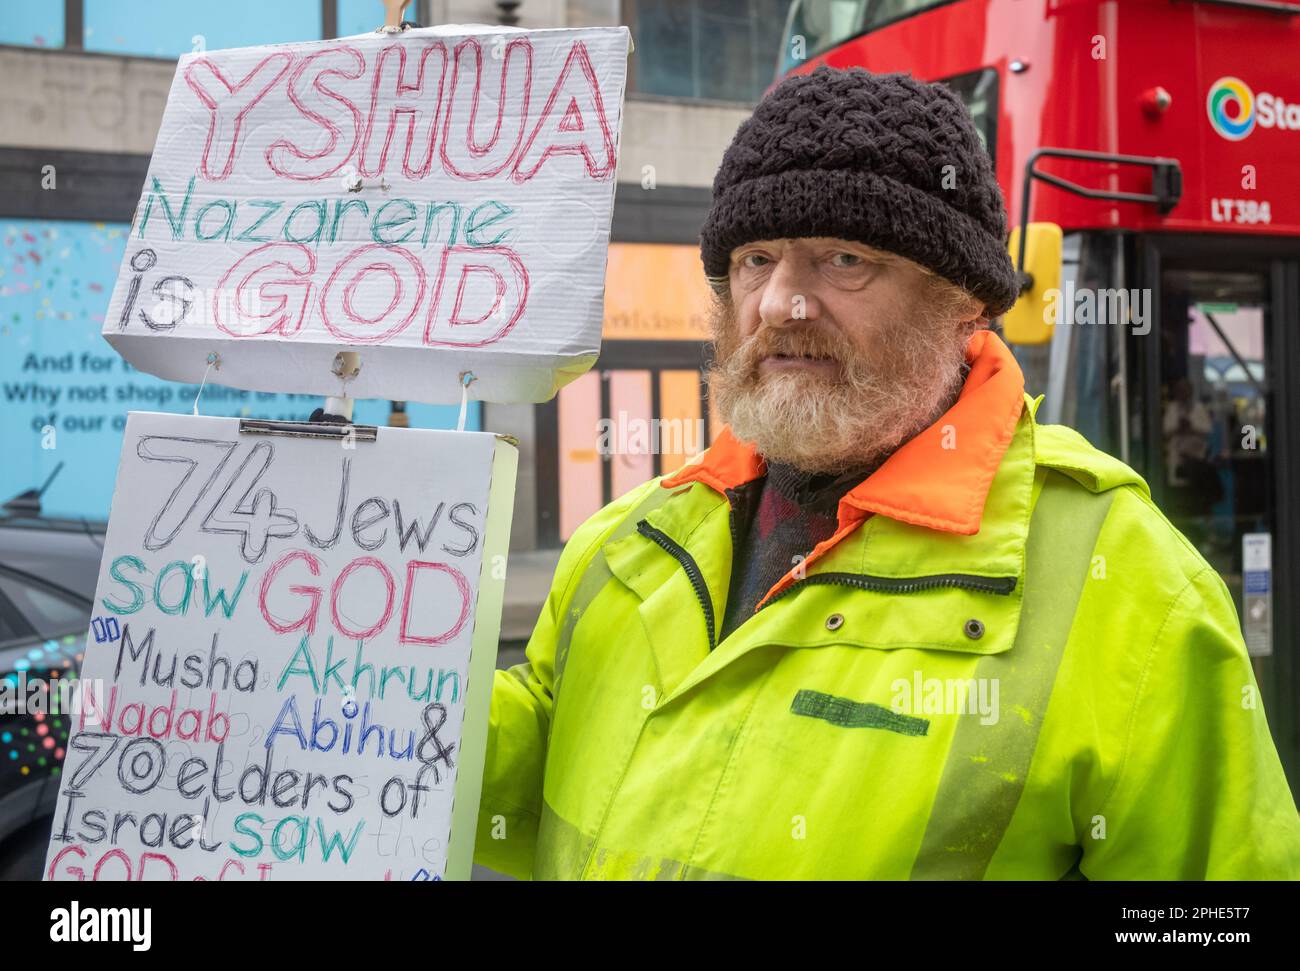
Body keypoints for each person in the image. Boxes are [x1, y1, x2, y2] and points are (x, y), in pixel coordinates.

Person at [474, 65, 1300, 880]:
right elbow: (534, 767)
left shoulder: (1131, 590)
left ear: (964, 304)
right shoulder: (630, 539)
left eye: (843, 259)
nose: (780, 304)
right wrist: (378, 680)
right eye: (757, 259)